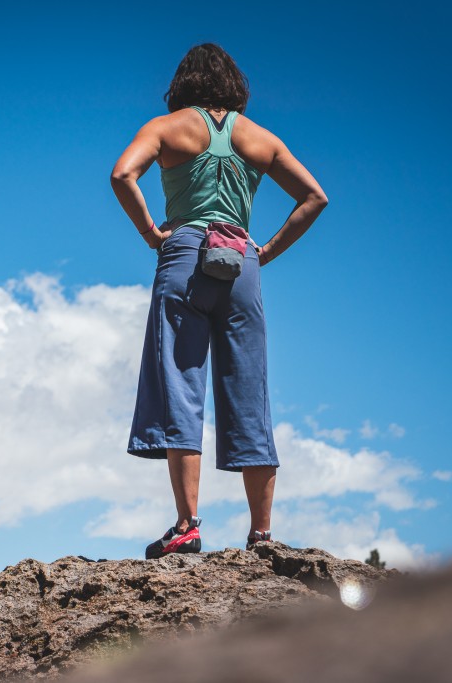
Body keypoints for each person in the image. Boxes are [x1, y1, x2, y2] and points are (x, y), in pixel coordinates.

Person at [110, 43, 327, 559]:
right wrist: (265, 251)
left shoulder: (166, 128)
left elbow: (122, 175)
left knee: (180, 385)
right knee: (249, 390)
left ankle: (187, 526)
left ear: (182, 83)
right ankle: (261, 535)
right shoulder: (260, 138)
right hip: (241, 261)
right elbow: (314, 196)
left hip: (185, 252)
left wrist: (150, 233)